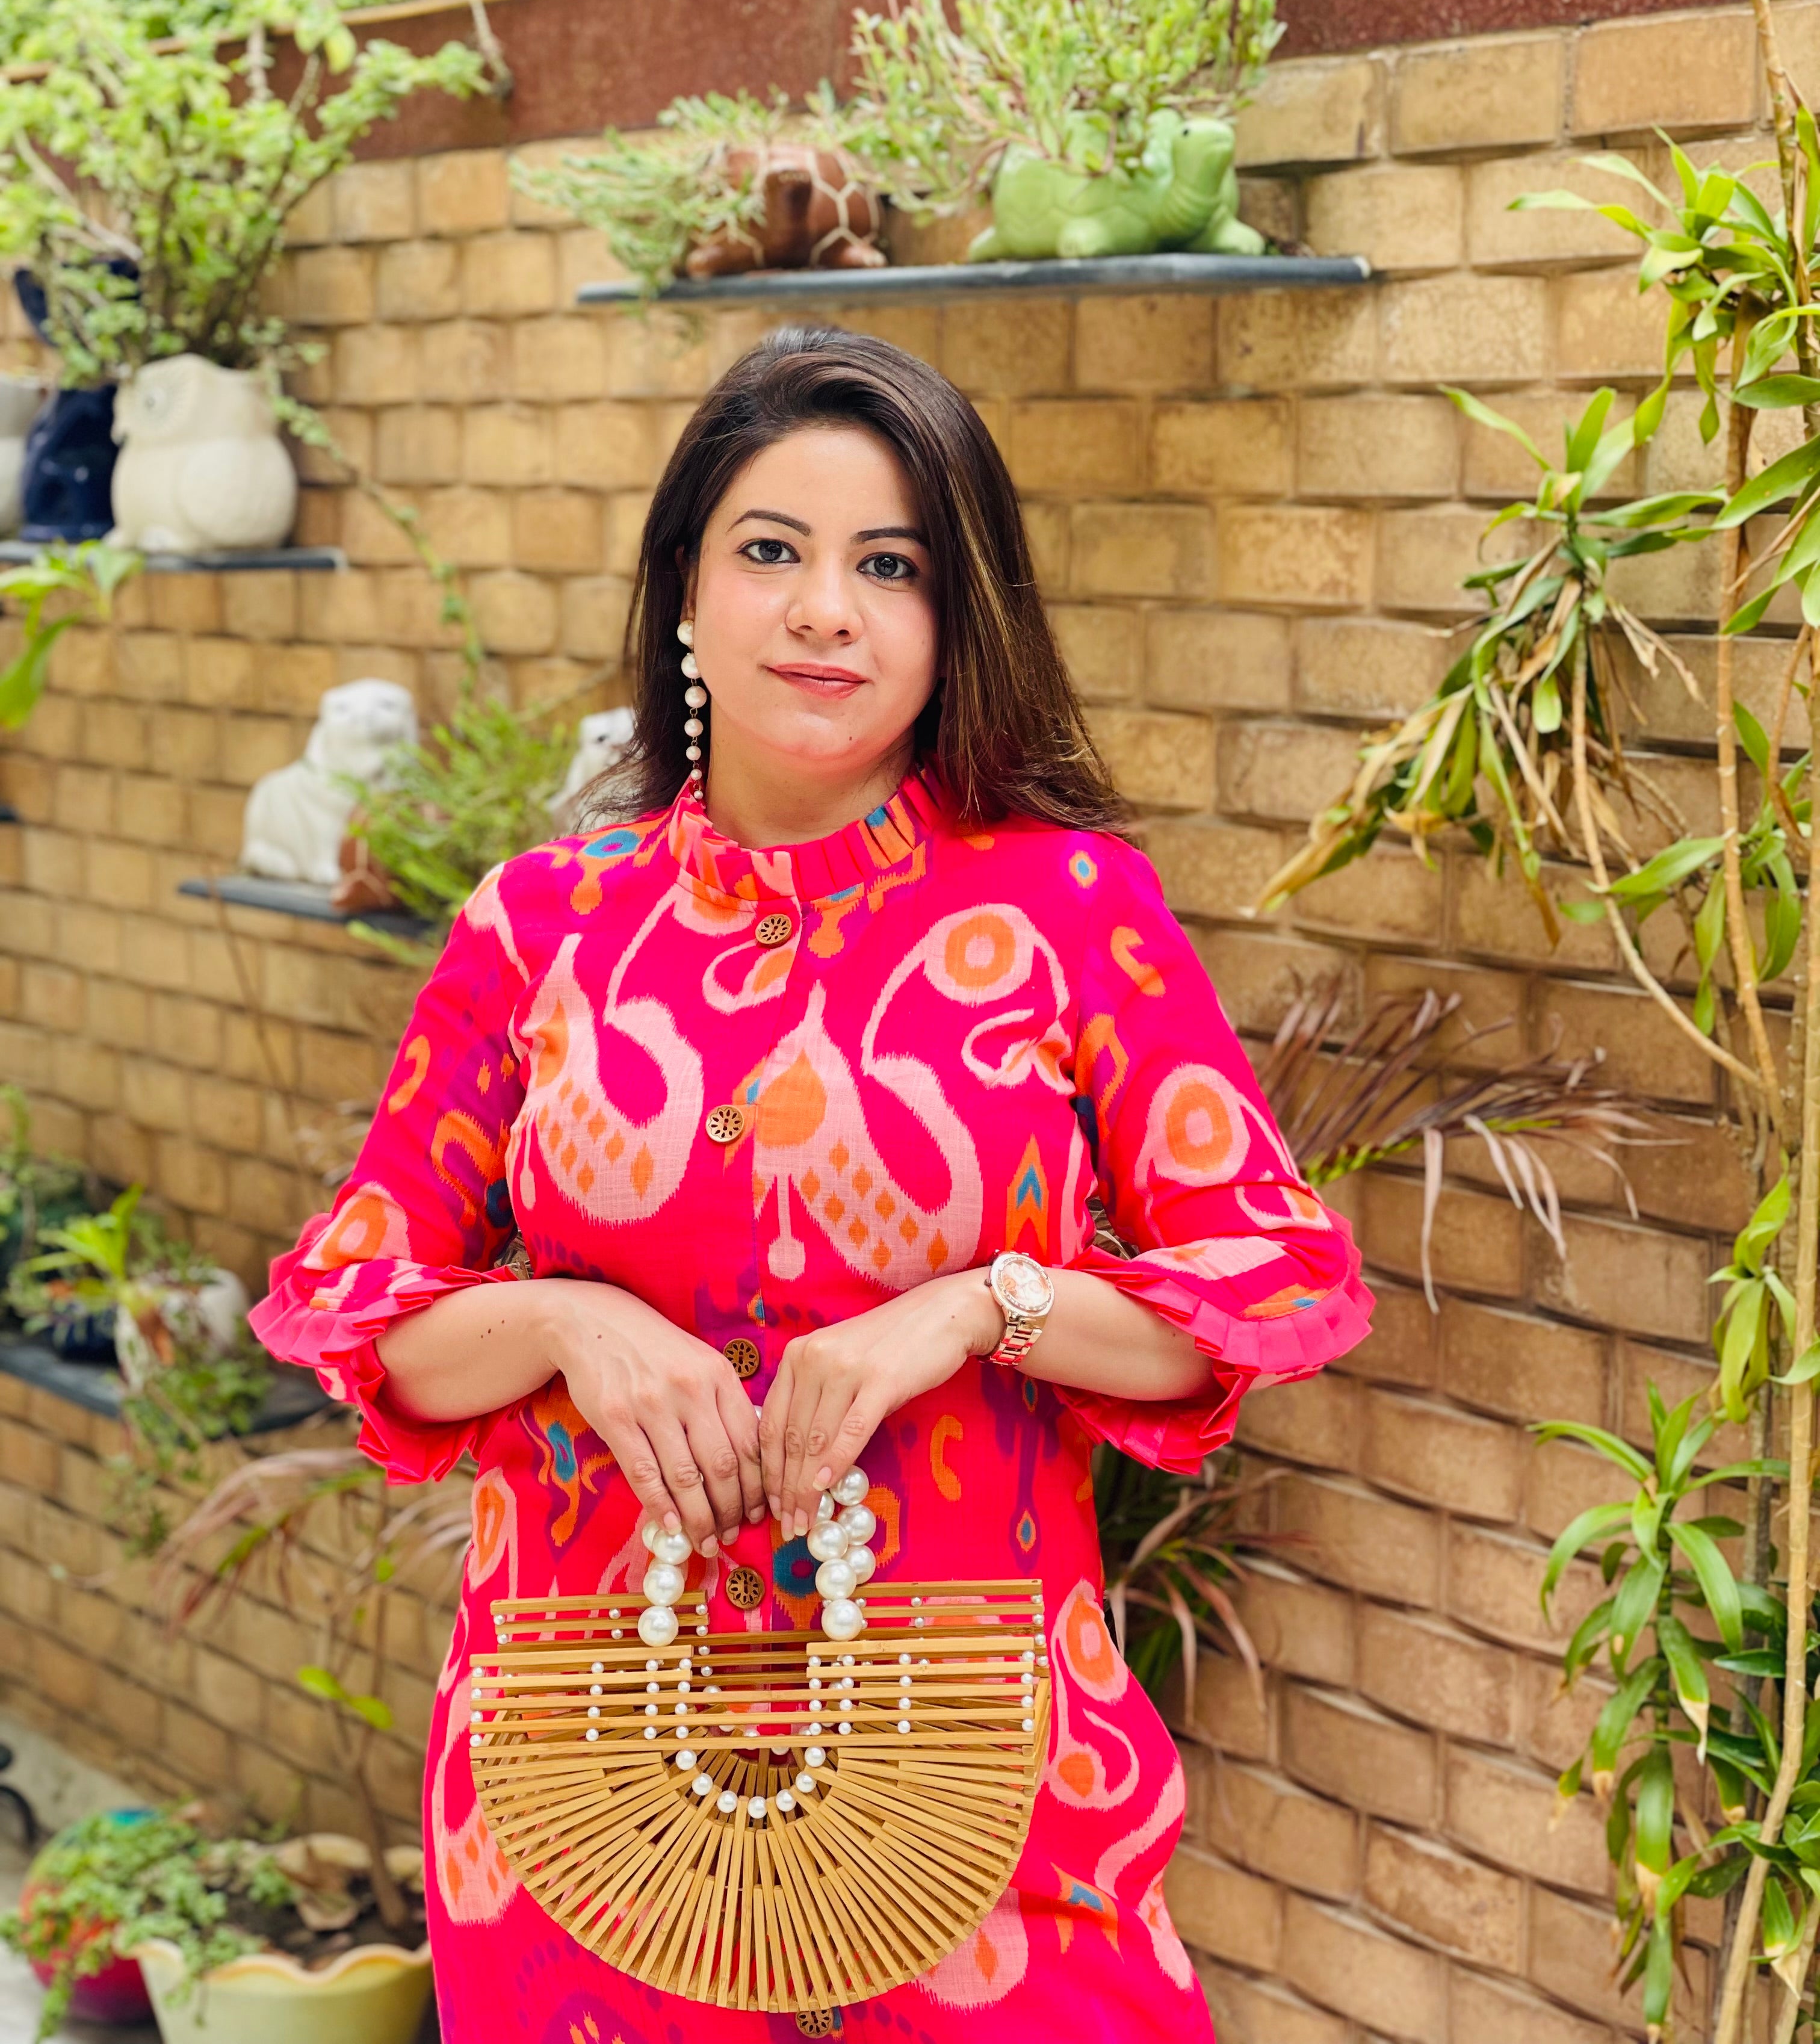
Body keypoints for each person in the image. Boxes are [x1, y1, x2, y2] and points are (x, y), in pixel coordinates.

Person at [252, 325, 1372, 2042]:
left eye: (889, 565)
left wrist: (968, 1312)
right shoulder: (536, 928)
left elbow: (1266, 1290)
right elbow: (363, 1315)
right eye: (770, 551)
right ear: (686, 594)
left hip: (991, 1780)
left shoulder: (1071, 914)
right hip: (585, 1794)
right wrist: (565, 1322)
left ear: (955, 612)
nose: (825, 610)